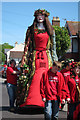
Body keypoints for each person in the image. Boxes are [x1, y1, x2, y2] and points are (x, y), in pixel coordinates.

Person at [16, 9, 57, 107]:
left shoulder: (50, 30)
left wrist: (55, 60)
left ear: (45, 17)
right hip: (34, 57)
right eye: (38, 15)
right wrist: (24, 60)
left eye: (42, 15)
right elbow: (27, 45)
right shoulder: (31, 29)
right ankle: (32, 100)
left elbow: (53, 47)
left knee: (47, 76)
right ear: (35, 17)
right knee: (34, 76)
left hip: (46, 57)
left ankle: (49, 100)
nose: (40, 17)